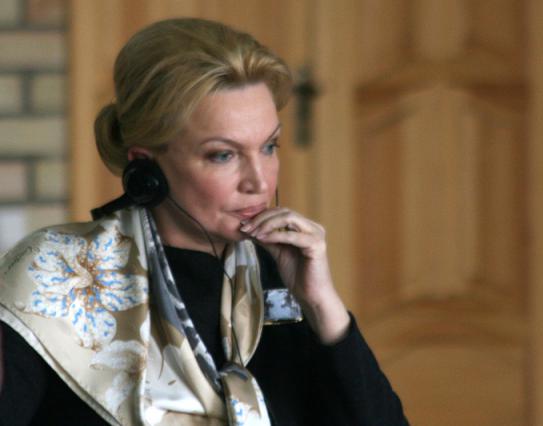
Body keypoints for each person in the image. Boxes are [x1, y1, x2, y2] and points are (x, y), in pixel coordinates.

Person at [0, 18, 408, 426]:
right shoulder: (55, 273)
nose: (259, 181)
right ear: (145, 167)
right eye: (223, 155)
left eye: (269, 146)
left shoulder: (279, 276)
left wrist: (322, 305)